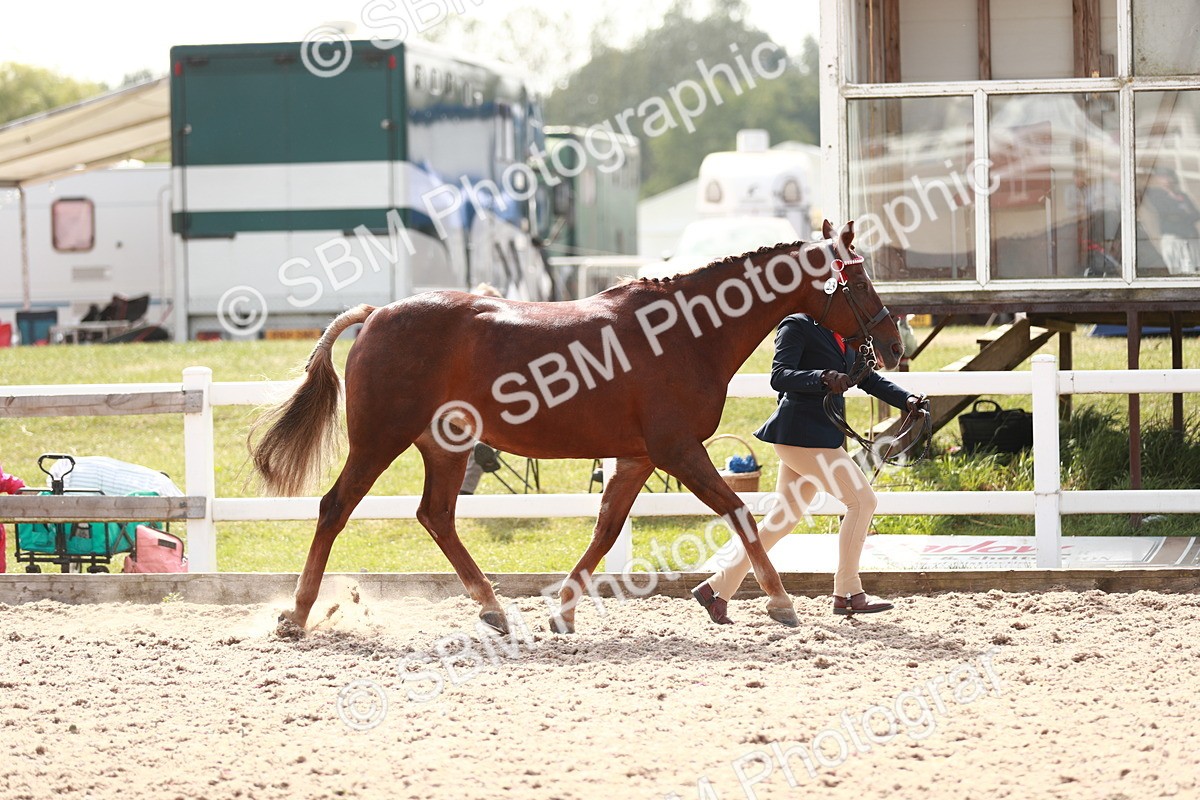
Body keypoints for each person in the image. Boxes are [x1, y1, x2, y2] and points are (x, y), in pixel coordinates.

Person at [691, 313, 925, 624]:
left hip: (818, 437)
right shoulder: (796, 326)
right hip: (802, 437)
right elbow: (780, 376)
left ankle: (716, 589)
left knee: (781, 520)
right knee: (863, 501)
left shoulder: (845, 331)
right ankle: (848, 592)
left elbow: (866, 377)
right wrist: (823, 377)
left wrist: (905, 399)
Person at [1144, 169, 1200, 275]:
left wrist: (1182, 215)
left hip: (1189, 238)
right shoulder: (1156, 195)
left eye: (1169, 177)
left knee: (1193, 270)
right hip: (1173, 239)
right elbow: (1167, 213)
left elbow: (1196, 215)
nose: (1168, 180)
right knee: (1176, 272)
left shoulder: (1182, 196)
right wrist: (1184, 214)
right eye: (1163, 177)